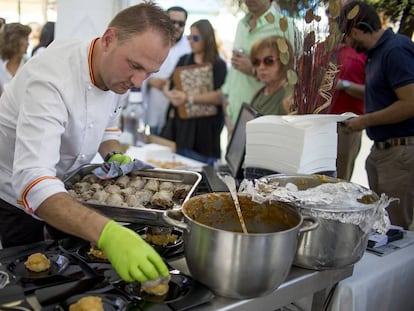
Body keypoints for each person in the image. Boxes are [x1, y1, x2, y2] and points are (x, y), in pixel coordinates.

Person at [0, 2, 175, 285]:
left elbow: (107, 123)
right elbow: (33, 180)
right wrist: (109, 233)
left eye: (149, 73)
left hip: (68, 189)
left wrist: (113, 154)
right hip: (16, 194)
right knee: (35, 285)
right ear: (108, 40)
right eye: (135, 66)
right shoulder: (51, 79)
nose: (138, 81)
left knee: (79, 275)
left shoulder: (117, 72)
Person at [340, 1, 414, 230]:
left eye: (346, 37)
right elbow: (382, 93)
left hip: (400, 152)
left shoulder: (395, 50)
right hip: (383, 151)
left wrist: (364, 121)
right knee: (380, 224)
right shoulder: (377, 53)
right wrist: (344, 86)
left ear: (354, 31)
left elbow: (410, 102)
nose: (346, 44)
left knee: (395, 229)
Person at [221, 0, 295, 135]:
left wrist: (252, 69)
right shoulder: (241, 24)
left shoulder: (285, 26)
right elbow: (234, 69)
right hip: (235, 117)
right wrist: (226, 100)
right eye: (257, 62)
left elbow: (294, 72)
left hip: (266, 118)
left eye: (267, 61)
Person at [161, 19, 227, 164]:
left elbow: (219, 96)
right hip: (182, 132)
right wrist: (170, 95)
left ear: (207, 38)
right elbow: (168, 85)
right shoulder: (184, 60)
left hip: (206, 134)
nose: (191, 41)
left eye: (195, 38)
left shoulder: (219, 65)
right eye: (189, 37)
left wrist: (187, 98)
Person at [142, 6, 191, 135]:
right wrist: (150, 81)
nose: (176, 26)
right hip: (154, 108)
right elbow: (139, 69)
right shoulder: (151, 42)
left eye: (180, 24)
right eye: (172, 22)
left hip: (177, 117)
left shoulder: (190, 48)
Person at [330, 36, 367, 181]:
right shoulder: (320, 49)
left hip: (346, 126)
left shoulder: (363, 53)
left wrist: (343, 85)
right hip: (317, 123)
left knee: (340, 181)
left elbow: (375, 92)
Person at [249, 35, 294, 115]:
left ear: (284, 61)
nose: (261, 67)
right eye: (256, 62)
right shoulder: (259, 93)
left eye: (268, 61)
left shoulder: (290, 97)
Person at [0, 23, 31, 95]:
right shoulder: (1, 64)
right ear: (15, 41)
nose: (28, 43)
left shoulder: (30, 64)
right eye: (26, 39)